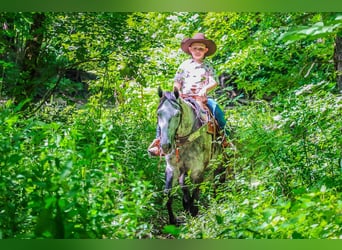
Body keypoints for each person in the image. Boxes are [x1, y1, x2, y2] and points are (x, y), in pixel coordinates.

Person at [148, 33, 228, 156]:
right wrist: (177, 92)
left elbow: (214, 82)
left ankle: (224, 138)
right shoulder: (184, 65)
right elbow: (177, 81)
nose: (197, 51)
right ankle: (159, 142)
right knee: (165, 112)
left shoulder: (208, 66)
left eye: (201, 49)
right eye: (195, 48)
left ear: (205, 50)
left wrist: (205, 89)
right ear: (190, 49)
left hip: (201, 99)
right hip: (184, 97)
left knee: (217, 110)